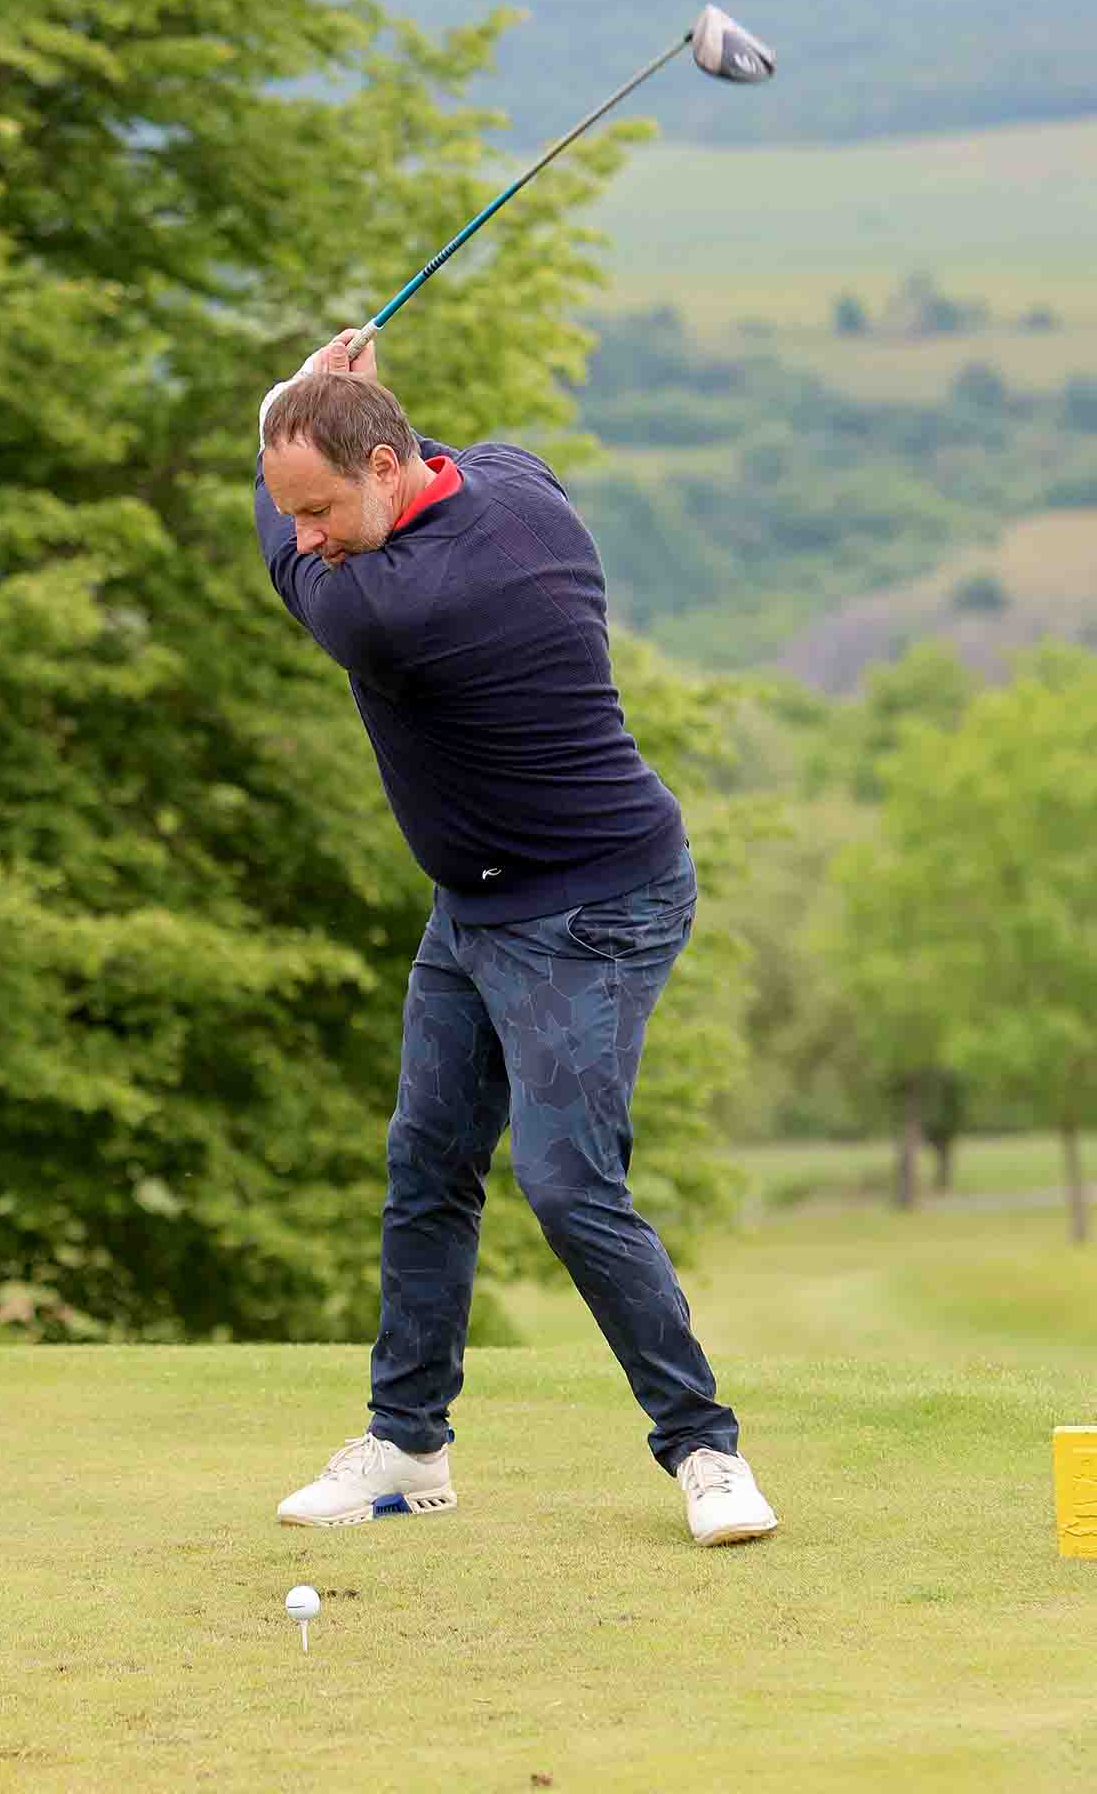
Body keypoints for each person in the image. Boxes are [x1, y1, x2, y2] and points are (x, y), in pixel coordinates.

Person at [253, 331, 777, 1547]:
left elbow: (284, 565)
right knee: (426, 1161)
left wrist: (280, 402)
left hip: (591, 909)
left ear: (384, 469)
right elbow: (433, 457)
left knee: (565, 1179)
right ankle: (406, 1444)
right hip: (477, 905)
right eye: (297, 510)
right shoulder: (513, 482)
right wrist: (325, 408)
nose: (309, 535)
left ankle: (706, 1452)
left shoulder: (392, 609)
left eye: (321, 509)